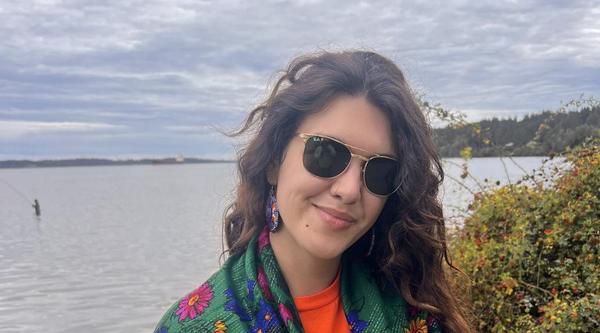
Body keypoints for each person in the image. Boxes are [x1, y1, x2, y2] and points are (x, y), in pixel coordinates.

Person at [155, 50, 472, 332]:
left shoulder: (411, 303)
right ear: (274, 162)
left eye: (379, 171)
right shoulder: (198, 325)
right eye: (327, 154)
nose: (349, 190)